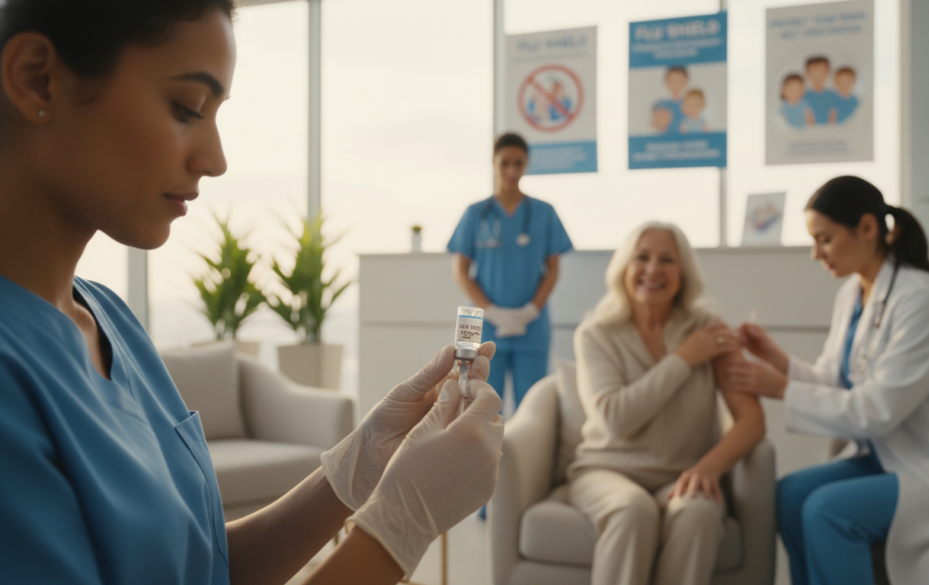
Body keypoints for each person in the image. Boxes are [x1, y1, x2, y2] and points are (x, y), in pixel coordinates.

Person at [0, 2, 503, 584]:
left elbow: (200, 569)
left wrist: (356, 469)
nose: (214, 160)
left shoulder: (108, 318)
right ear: (38, 77)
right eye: (186, 108)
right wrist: (397, 531)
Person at [722, 176, 929, 585]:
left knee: (827, 510)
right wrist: (776, 360)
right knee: (790, 495)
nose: (815, 254)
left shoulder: (924, 300)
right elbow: (835, 379)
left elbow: (874, 411)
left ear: (867, 228)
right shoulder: (852, 294)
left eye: (824, 239)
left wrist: (777, 388)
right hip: (888, 459)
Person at [568, 222, 766, 585]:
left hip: (682, 474)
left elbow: (751, 420)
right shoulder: (595, 334)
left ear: (683, 272)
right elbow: (615, 418)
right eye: (642, 257)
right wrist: (683, 359)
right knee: (632, 509)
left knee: (699, 512)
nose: (653, 270)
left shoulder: (708, 328)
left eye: (667, 260)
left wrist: (709, 468)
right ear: (624, 267)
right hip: (605, 471)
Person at [448, 132, 573, 411]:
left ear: (527, 164)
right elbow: (461, 272)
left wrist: (530, 310)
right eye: (505, 163)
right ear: (494, 163)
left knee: (534, 411)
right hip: (483, 326)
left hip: (532, 326)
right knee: (479, 408)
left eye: (518, 163)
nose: (512, 170)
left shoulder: (544, 212)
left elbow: (552, 271)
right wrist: (491, 311)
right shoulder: (475, 214)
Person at [803, 56, 840, 125]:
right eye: (813, 73)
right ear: (806, 74)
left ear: (828, 73)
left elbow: (834, 113)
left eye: (821, 72)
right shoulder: (803, 96)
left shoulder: (832, 95)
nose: (818, 77)